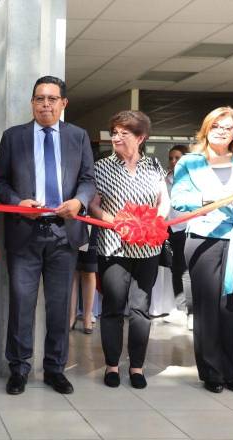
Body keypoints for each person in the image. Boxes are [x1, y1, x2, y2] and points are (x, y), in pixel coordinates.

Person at [0, 76, 96, 396]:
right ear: (32, 103)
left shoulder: (78, 137)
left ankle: (54, 368)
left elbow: (88, 179)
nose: (46, 104)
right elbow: (0, 181)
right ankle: (19, 368)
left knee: (59, 305)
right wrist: (16, 202)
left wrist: (79, 201)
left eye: (52, 99)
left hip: (63, 234)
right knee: (21, 304)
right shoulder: (14, 137)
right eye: (40, 98)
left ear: (64, 103)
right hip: (25, 233)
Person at [172, 106, 233, 394]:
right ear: (207, 128)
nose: (222, 130)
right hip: (204, 238)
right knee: (207, 308)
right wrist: (210, 198)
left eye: (228, 127)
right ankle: (212, 372)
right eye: (216, 125)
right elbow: (178, 199)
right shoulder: (191, 162)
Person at [89, 110, 170, 390]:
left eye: (125, 133)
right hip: (113, 248)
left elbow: (164, 201)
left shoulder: (154, 166)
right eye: (114, 132)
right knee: (113, 308)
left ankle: (136, 367)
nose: (117, 137)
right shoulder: (101, 167)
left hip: (148, 249)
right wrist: (118, 223)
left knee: (140, 309)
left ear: (141, 137)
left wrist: (153, 222)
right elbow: (93, 205)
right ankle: (112, 365)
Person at [163, 144, 194, 330]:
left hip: (186, 227)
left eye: (178, 158)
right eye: (171, 158)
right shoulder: (165, 178)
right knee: (175, 269)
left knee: (186, 272)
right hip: (170, 228)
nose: (174, 161)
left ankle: (191, 313)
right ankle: (180, 309)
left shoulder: (191, 178)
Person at [69, 226, 98, 334]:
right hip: (71, 221)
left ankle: (87, 316)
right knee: (72, 270)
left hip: (89, 221)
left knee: (89, 270)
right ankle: (72, 316)